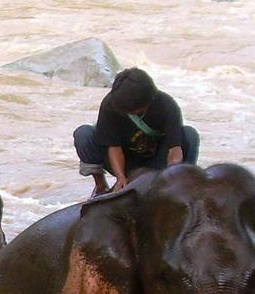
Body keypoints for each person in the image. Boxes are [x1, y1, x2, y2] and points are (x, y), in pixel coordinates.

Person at [74, 67, 200, 197]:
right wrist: (121, 177)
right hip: (124, 161)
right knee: (84, 134)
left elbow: (175, 148)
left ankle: (183, 185)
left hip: (156, 161)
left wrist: (172, 175)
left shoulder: (166, 105)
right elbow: (113, 146)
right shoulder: (111, 104)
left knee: (189, 135)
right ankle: (100, 186)